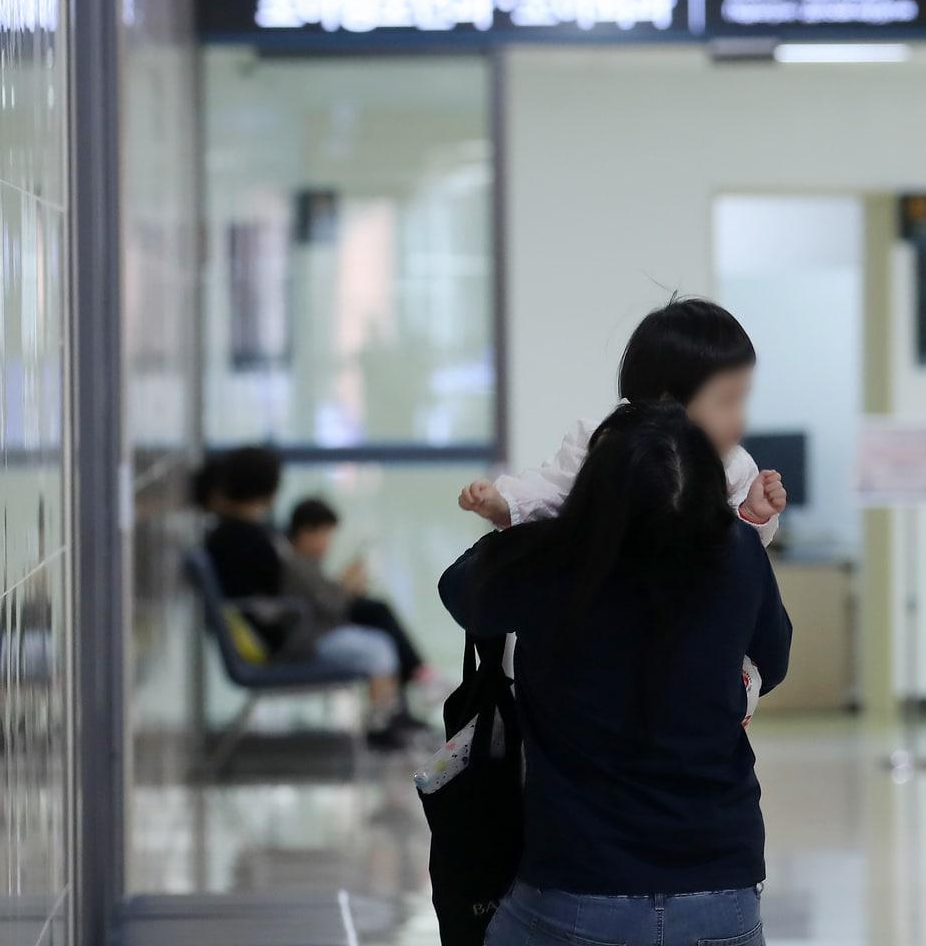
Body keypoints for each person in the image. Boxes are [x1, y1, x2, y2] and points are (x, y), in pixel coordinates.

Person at [439, 401, 792, 946]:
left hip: (571, 895)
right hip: (721, 890)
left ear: (592, 486)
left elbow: (460, 589)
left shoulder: (552, 561)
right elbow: (774, 660)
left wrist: (536, 519)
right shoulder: (738, 551)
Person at [457, 297, 784, 722]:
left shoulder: (734, 465)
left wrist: (753, 517)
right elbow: (551, 489)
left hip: (689, 630)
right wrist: (505, 505)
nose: (740, 420)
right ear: (668, 402)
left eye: (743, 400)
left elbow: (739, 557)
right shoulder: (600, 443)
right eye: (726, 401)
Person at [201, 447, 406, 748]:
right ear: (268, 490)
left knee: (375, 625)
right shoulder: (249, 539)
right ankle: (383, 730)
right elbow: (291, 593)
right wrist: (338, 590)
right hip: (288, 639)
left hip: (285, 630)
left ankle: (390, 722)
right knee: (378, 648)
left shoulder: (234, 535)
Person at [285, 496, 436, 731]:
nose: (327, 543)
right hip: (312, 640)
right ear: (306, 532)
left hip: (319, 634)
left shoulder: (305, 564)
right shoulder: (296, 566)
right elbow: (328, 606)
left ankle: (396, 713)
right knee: (378, 648)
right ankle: (383, 725)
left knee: (379, 631)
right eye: (324, 534)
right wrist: (346, 586)